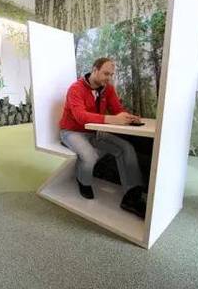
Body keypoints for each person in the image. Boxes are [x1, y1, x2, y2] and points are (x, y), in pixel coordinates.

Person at [59, 57, 146, 214]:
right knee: (90, 156)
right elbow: (80, 117)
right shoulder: (75, 88)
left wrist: (128, 117)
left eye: (111, 74)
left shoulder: (108, 89)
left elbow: (117, 110)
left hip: (94, 132)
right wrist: (111, 119)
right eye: (106, 73)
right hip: (71, 132)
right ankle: (83, 181)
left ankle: (132, 194)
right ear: (95, 70)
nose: (109, 78)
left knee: (126, 148)